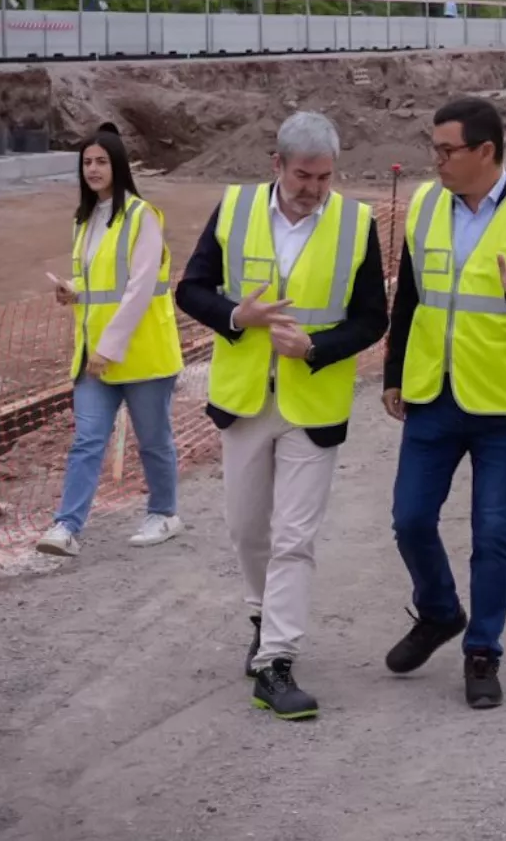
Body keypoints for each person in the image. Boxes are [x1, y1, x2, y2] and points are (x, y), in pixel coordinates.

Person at [173, 111, 388, 722]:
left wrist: (316, 349)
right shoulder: (235, 210)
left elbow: (374, 317)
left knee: (295, 537)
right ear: (276, 166)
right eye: (303, 175)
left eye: (324, 177)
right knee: (247, 529)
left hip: (312, 405)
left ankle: (277, 661)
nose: (314, 188)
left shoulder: (356, 223)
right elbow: (190, 288)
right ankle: (264, 616)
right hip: (245, 399)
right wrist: (238, 317)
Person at [382, 96, 506, 709]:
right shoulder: (424, 207)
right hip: (433, 395)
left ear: (485, 152)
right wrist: (393, 373)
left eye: (446, 150)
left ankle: (482, 651)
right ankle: (440, 610)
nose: (436, 160)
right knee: (410, 518)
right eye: (434, 148)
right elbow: (411, 297)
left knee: (493, 534)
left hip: (504, 403)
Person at [38, 131, 185, 558]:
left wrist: (110, 348)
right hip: (94, 355)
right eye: (87, 162)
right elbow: (103, 281)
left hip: (142, 355)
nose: (94, 169)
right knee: (87, 439)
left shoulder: (143, 217)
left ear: (117, 165)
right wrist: (74, 290)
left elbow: (139, 288)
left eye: (102, 161)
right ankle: (66, 526)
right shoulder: (84, 219)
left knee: (154, 440)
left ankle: (164, 513)